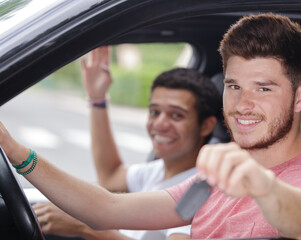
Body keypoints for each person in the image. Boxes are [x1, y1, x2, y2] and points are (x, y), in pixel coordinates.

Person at [0, 13, 301, 240]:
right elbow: (108, 209)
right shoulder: (216, 177)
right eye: (234, 86)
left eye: (263, 88)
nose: (241, 104)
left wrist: (262, 185)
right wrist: (15, 151)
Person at [32, 47, 222, 240]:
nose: (160, 124)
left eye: (176, 115)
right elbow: (110, 175)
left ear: (206, 125)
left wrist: (88, 228)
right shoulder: (157, 170)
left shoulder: (202, 188)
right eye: (155, 112)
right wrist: (97, 99)